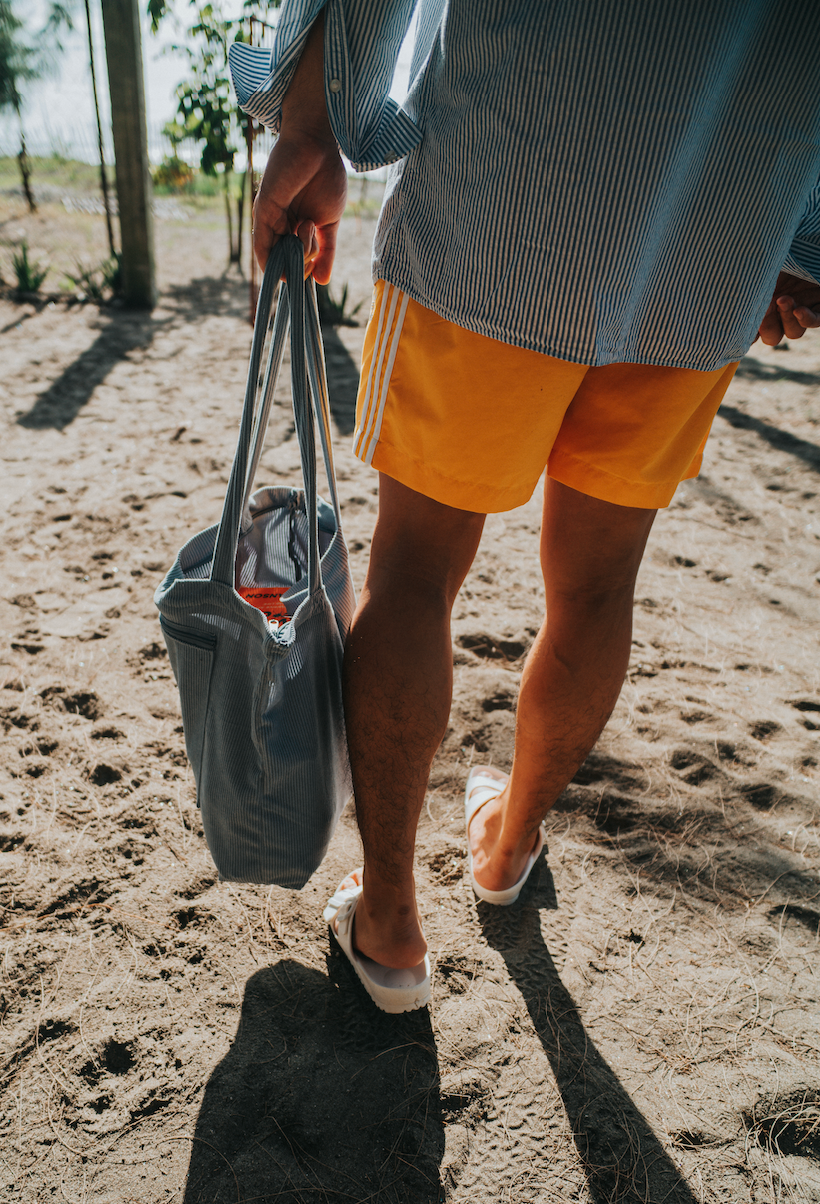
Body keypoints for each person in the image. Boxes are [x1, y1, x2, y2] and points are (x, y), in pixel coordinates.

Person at [229, 0, 820, 1013]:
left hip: (505, 198)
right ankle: (506, 850)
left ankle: (390, 923)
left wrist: (316, 123)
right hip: (712, 244)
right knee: (597, 587)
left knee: (414, 572)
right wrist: (800, 244)